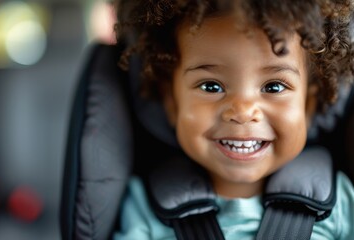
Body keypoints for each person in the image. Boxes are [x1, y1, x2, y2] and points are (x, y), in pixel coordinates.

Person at [113, 0, 354, 239]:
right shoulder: (144, 208)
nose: (242, 111)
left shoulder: (340, 203)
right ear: (172, 103)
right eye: (211, 86)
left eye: (273, 87)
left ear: (308, 106)